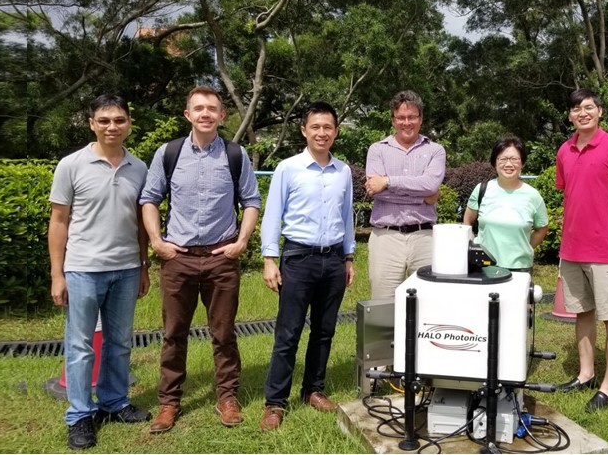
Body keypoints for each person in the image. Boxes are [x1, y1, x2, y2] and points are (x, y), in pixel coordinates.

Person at [140, 86, 260, 433]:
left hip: (222, 259)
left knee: (223, 333)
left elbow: (251, 200)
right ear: (187, 114)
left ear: (222, 116)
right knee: (174, 333)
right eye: (199, 108)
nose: (205, 113)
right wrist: (156, 242)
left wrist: (242, 241)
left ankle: (226, 397)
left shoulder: (235, 154)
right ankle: (169, 402)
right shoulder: (169, 153)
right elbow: (149, 198)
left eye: (212, 108)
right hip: (177, 259)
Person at [48, 94, 151, 450]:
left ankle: (114, 402)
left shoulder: (139, 168)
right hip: (82, 270)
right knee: (79, 347)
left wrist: (143, 266)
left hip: (125, 269)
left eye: (119, 120)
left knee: (120, 343)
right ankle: (79, 415)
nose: (112, 126)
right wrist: (57, 274)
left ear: (129, 123)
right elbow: (59, 221)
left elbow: (142, 224)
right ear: (92, 123)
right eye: (104, 120)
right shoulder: (71, 165)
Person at [259, 101, 356, 431]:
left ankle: (313, 389)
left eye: (328, 127)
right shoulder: (288, 168)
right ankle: (275, 402)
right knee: (288, 332)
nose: (322, 133)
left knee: (325, 330)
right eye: (315, 127)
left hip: (333, 260)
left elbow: (347, 216)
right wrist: (270, 259)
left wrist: (349, 256)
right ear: (304, 130)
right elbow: (273, 214)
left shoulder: (343, 171)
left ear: (336, 132)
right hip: (298, 258)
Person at [555, 88, 608, 413]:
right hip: (572, 248)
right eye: (576, 109)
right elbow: (571, 195)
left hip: (604, 249)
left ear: (599, 111)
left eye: (588, 107)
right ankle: (586, 374)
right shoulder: (564, 150)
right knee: (583, 312)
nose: (582, 113)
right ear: (570, 115)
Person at [365, 90, 446, 300]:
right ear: (393, 120)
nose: (406, 122)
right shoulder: (377, 150)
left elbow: (430, 184)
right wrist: (422, 197)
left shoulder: (436, 150)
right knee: (384, 306)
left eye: (412, 117)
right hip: (386, 237)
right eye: (401, 117)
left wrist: (388, 182)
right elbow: (377, 192)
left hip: (424, 236)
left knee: (429, 304)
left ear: (421, 119)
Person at [462, 136, 549, 271]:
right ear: (494, 162)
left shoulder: (533, 195)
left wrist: (525, 247)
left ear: (522, 163)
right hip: (483, 267)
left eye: (514, 159)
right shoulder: (482, 189)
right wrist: (474, 247)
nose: (509, 164)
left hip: (519, 268)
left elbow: (541, 228)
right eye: (503, 159)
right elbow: (467, 222)